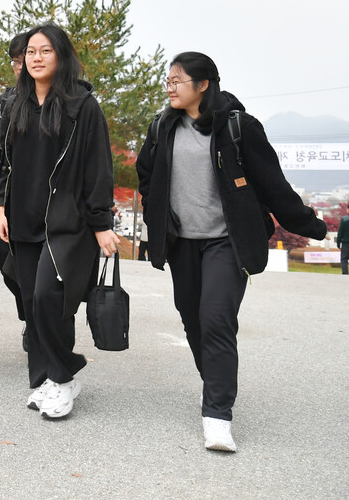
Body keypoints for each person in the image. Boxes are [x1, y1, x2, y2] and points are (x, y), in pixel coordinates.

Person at [136, 51, 327, 452]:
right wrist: (158, 214)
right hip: (181, 242)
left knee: (217, 318)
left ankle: (218, 415)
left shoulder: (240, 127)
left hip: (227, 240)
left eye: (177, 80)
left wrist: (310, 224)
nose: (169, 87)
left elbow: (272, 184)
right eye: (167, 80)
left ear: (203, 84)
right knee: (193, 320)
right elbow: (146, 175)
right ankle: (216, 381)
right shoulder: (161, 126)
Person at [0, 24, 118, 420]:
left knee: (52, 297)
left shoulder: (83, 107)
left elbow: (99, 167)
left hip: (67, 221)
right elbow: (5, 161)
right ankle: (43, 380)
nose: (36, 58)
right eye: (31, 51)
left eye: (45, 50)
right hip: (22, 216)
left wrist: (101, 222)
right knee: (31, 301)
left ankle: (63, 378)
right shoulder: (15, 102)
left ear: (61, 56)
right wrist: (1, 207)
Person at [0, 32, 29, 347]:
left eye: (23, 58)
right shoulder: (7, 100)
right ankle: (28, 313)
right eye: (15, 60)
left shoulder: (60, 98)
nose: (19, 66)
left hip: (48, 197)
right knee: (7, 262)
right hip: (10, 193)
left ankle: (40, 322)